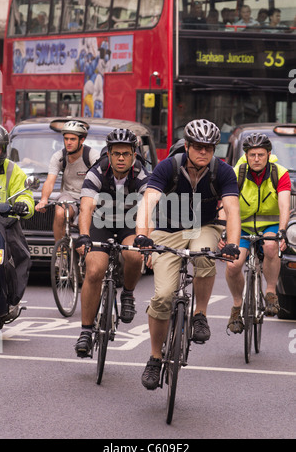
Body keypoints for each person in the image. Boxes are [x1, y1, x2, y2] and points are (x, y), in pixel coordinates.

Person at [134, 119, 241, 390]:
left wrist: (232, 243)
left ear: (214, 148)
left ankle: (200, 315)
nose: (203, 152)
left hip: (203, 227)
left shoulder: (224, 171)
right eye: (197, 147)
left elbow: (232, 210)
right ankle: (155, 358)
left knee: (203, 254)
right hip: (168, 231)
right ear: (188, 146)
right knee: (162, 296)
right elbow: (148, 202)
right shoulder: (168, 167)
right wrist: (142, 235)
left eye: (208, 147)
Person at [74, 128, 150, 358]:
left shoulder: (143, 175)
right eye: (116, 153)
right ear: (108, 153)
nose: (120, 158)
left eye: (126, 154)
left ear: (134, 155)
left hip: (130, 223)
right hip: (101, 222)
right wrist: (85, 235)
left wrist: (143, 237)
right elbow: (86, 206)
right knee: (95, 270)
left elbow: (147, 211)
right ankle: (86, 330)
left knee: (135, 254)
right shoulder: (97, 171)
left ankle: (128, 293)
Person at [224, 133, 291, 334]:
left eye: (261, 155)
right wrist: (223, 232)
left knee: (271, 246)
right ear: (246, 155)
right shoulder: (236, 173)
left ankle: (270, 292)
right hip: (241, 226)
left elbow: (284, 204)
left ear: (269, 155)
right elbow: (226, 205)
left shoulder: (280, 173)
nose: (256, 159)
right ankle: (237, 306)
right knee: (233, 264)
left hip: (269, 225)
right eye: (252, 154)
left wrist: (281, 230)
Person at [35, 120, 100, 242]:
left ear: (82, 140)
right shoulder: (59, 157)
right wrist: (44, 200)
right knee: (60, 212)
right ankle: (61, 251)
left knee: (85, 220)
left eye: (73, 139)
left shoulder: (92, 156)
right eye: (66, 139)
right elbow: (50, 181)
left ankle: (84, 248)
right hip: (69, 195)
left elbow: (100, 180)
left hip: (90, 196)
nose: (68, 143)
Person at [0, 125, 35, 321]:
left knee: (17, 257)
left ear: (4, 149)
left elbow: (27, 196)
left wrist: (22, 205)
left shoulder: (14, 170)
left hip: (4, 225)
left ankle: (11, 298)